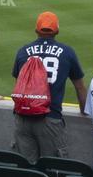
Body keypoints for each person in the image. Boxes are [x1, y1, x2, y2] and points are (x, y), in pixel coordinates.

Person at [11, 11, 86, 163]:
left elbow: (17, 86)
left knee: (26, 169)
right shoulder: (67, 52)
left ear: (36, 30)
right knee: (52, 167)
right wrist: (84, 111)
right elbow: (80, 87)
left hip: (23, 119)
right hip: (50, 120)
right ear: (57, 30)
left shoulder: (23, 51)